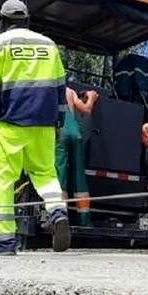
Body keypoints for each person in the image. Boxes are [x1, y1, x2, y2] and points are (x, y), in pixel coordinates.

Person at [0, 0, 71, 256]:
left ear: (3, 21)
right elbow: (60, 90)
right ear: (26, 20)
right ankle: (58, 213)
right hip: (44, 124)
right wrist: (58, 124)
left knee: (3, 180)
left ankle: (2, 244)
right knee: (46, 174)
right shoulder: (49, 46)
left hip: (11, 124)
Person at [56, 86, 99, 225]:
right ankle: (84, 219)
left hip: (60, 132)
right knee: (79, 175)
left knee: (60, 173)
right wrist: (92, 96)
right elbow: (86, 109)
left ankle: (60, 216)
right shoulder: (70, 91)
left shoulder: (51, 89)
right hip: (76, 133)